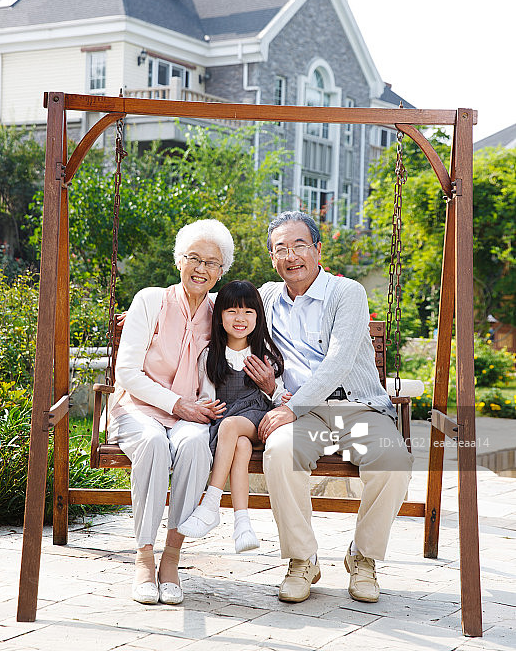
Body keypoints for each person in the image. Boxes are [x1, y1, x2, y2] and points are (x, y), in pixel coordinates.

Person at [246, 211, 413, 605]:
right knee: (280, 452)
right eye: (281, 249)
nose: (291, 256)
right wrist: (152, 308)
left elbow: (338, 361)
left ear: (318, 250)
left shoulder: (347, 293)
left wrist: (292, 406)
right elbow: (218, 306)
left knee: (393, 462)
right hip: (301, 412)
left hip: (356, 408)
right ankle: (302, 559)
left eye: (300, 246)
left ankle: (364, 557)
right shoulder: (267, 296)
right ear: (272, 257)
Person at [107, 219, 234, 605]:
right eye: (194, 258)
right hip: (138, 409)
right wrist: (177, 404)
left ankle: (172, 558)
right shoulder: (150, 300)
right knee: (152, 444)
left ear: (221, 271)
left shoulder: (219, 313)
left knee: (196, 444)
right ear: (178, 260)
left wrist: (203, 404)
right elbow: (126, 372)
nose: (201, 268)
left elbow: (219, 365)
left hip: (188, 416)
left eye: (212, 263)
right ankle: (144, 558)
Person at [178, 280, 288, 553]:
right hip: (229, 426)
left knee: (232, 426)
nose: (240, 318)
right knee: (238, 443)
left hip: (258, 420)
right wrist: (207, 407)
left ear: (258, 317)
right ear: (220, 316)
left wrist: (273, 390)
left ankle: (211, 502)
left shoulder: (266, 355)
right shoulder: (210, 356)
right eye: (232, 311)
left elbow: (280, 397)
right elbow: (206, 396)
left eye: (248, 312)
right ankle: (243, 524)